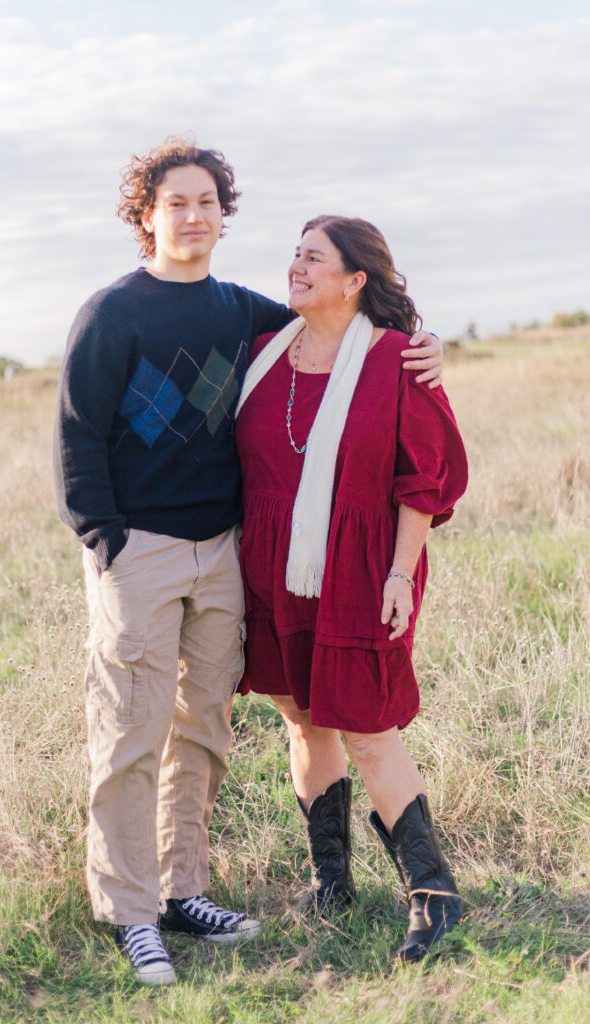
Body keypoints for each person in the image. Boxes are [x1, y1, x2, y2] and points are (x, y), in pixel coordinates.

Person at [54, 137, 445, 985]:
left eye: (206, 203)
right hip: (142, 555)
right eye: (175, 204)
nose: (192, 217)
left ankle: (182, 892)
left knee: (201, 731)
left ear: (221, 217)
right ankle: (130, 911)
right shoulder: (112, 312)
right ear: (145, 216)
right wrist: (106, 540)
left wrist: (428, 346)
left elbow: (349, 324)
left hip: (224, 554)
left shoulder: (244, 313)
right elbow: (77, 439)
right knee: (129, 733)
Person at [235, 215, 468, 964]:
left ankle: (433, 893)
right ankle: (329, 880)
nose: (295, 268)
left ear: (354, 279)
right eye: (294, 255)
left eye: (313, 258)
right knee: (303, 724)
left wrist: (401, 573)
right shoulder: (264, 350)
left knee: (367, 729)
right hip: (271, 568)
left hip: (362, 569)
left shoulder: (398, 358)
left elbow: (423, 482)